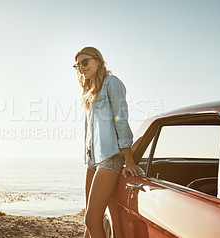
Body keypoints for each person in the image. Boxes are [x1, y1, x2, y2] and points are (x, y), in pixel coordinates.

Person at [73, 47, 142, 238]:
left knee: (91, 218)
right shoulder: (89, 90)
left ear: (98, 61)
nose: (81, 68)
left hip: (111, 157)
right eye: (78, 65)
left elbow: (121, 120)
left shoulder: (113, 83)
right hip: (92, 160)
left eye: (85, 62)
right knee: (90, 220)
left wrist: (128, 160)